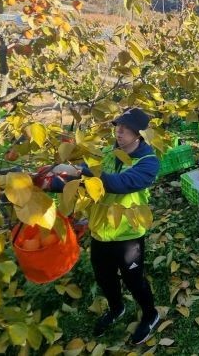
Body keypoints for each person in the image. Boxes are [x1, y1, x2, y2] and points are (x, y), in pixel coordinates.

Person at [36, 107, 161, 345]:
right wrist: (45, 182)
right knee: (104, 277)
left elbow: (118, 184)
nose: (120, 131)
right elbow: (80, 184)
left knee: (134, 280)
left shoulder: (148, 163)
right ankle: (117, 308)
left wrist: (80, 171)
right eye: (118, 126)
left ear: (140, 134)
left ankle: (151, 314)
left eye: (127, 128)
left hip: (127, 235)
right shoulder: (105, 154)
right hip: (100, 232)